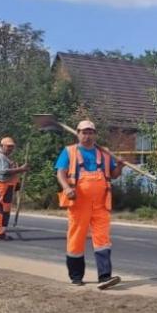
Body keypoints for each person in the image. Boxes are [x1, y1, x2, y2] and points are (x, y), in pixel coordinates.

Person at [55, 120, 122, 289]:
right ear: (78, 133)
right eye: (84, 132)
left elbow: (114, 175)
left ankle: (105, 277)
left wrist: (119, 166)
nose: (87, 135)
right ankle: (76, 276)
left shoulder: (105, 154)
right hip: (78, 203)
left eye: (91, 132)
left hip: (101, 205)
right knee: (76, 239)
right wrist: (66, 188)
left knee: (103, 240)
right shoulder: (69, 152)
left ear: (95, 134)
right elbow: (60, 173)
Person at [0, 136, 29, 241]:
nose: (10, 149)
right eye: (8, 146)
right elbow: (4, 171)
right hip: (0, 187)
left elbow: (11, 172)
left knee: (5, 212)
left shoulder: (6, 158)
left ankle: (2, 233)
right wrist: (21, 169)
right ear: (1, 146)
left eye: (11, 147)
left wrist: (17, 183)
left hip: (7, 188)